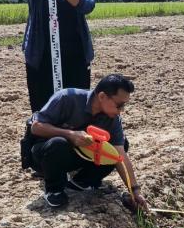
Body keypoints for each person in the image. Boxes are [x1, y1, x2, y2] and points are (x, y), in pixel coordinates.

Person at [24, 74, 147, 212]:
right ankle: (54, 190)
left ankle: (81, 182)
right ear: (102, 96)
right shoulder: (67, 98)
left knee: (118, 147)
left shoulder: (112, 119)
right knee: (59, 143)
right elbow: (36, 127)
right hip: (46, 154)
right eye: (119, 105)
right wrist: (70, 134)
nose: (121, 110)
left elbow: (120, 155)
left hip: (77, 156)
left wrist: (135, 191)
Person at [17, 0, 96, 112]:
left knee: (76, 104)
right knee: (42, 105)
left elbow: (86, 5)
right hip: (41, 53)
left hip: (75, 54)